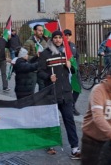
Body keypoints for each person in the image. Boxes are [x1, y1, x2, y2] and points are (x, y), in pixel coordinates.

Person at [37, 30, 80, 159]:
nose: (58, 40)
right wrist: (48, 76)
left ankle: (75, 148)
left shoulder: (66, 53)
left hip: (66, 93)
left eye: (60, 38)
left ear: (63, 40)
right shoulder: (45, 54)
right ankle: (49, 144)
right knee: (51, 120)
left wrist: (70, 66)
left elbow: (74, 69)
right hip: (52, 92)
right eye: (55, 38)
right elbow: (39, 72)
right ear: (52, 39)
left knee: (69, 121)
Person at [24, 24, 47, 91]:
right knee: (31, 87)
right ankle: (31, 100)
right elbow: (24, 57)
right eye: (39, 30)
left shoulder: (44, 42)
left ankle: (41, 100)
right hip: (32, 69)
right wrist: (36, 56)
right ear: (34, 31)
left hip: (41, 68)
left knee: (42, 86)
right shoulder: (29, 42)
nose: (41, 32)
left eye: (42, 31)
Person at [64, 29, 81, 116]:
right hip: (65, 71)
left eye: (69, 35)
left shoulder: (73, 45)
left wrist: (76, 66)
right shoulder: (61, 46)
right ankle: (68, 108)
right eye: (66, 35)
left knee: (77, 89)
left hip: (74, 71)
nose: (67, 37)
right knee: (67, 90)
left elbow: (77, 56)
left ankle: (73, 105)